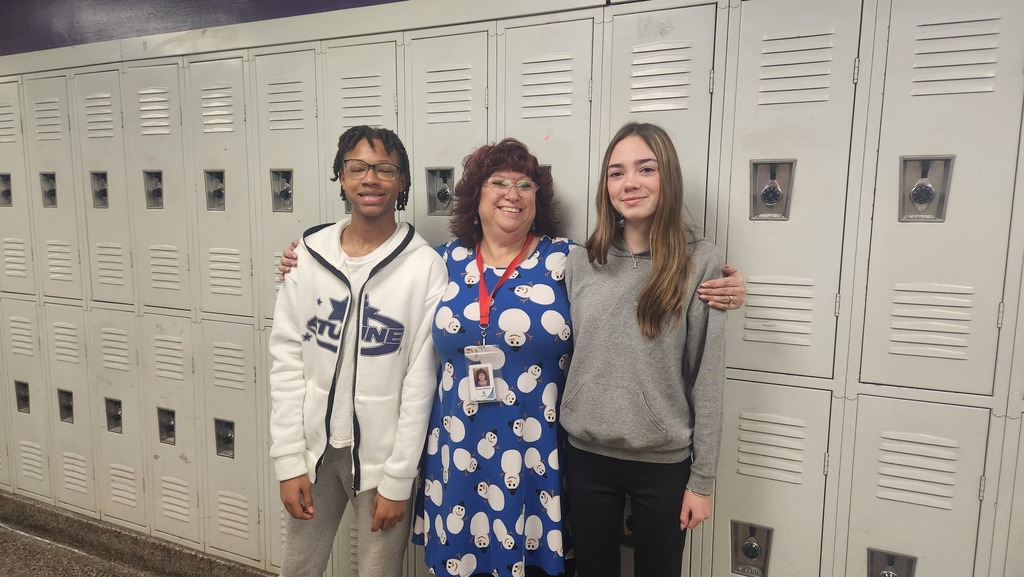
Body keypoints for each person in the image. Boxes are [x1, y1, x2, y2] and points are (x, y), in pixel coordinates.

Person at [268, 126, 448, 577]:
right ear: (342, 177)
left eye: (385, 169)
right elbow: (287, 358)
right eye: (358, 168)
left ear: (403, 181)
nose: (371, 178)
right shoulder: (309, 254)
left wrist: (400, 478)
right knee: (298, 568)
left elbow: (420, 381)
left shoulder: (425, 266)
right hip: (314, 455)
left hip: (381, 463)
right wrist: (288, 460)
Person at [560, 122, 725, 577]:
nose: (629, 183)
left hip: (663, 462)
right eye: (616, 173)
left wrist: (703, 481)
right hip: (587, 455)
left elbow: (706, 377)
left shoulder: (702, 261)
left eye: (645, 169)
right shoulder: (580, 260)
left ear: (667, 177)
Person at [412, 138, 574, 576]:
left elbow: (633, 276)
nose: (512, 193)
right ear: (475, 195)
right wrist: (306, 255)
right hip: (456, 450)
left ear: (538, 199)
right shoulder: (442, 262)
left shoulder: (566, 260)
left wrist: (713, 281)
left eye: (525, 185)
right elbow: (376, 274)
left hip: (536, 455)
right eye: (498, 182)